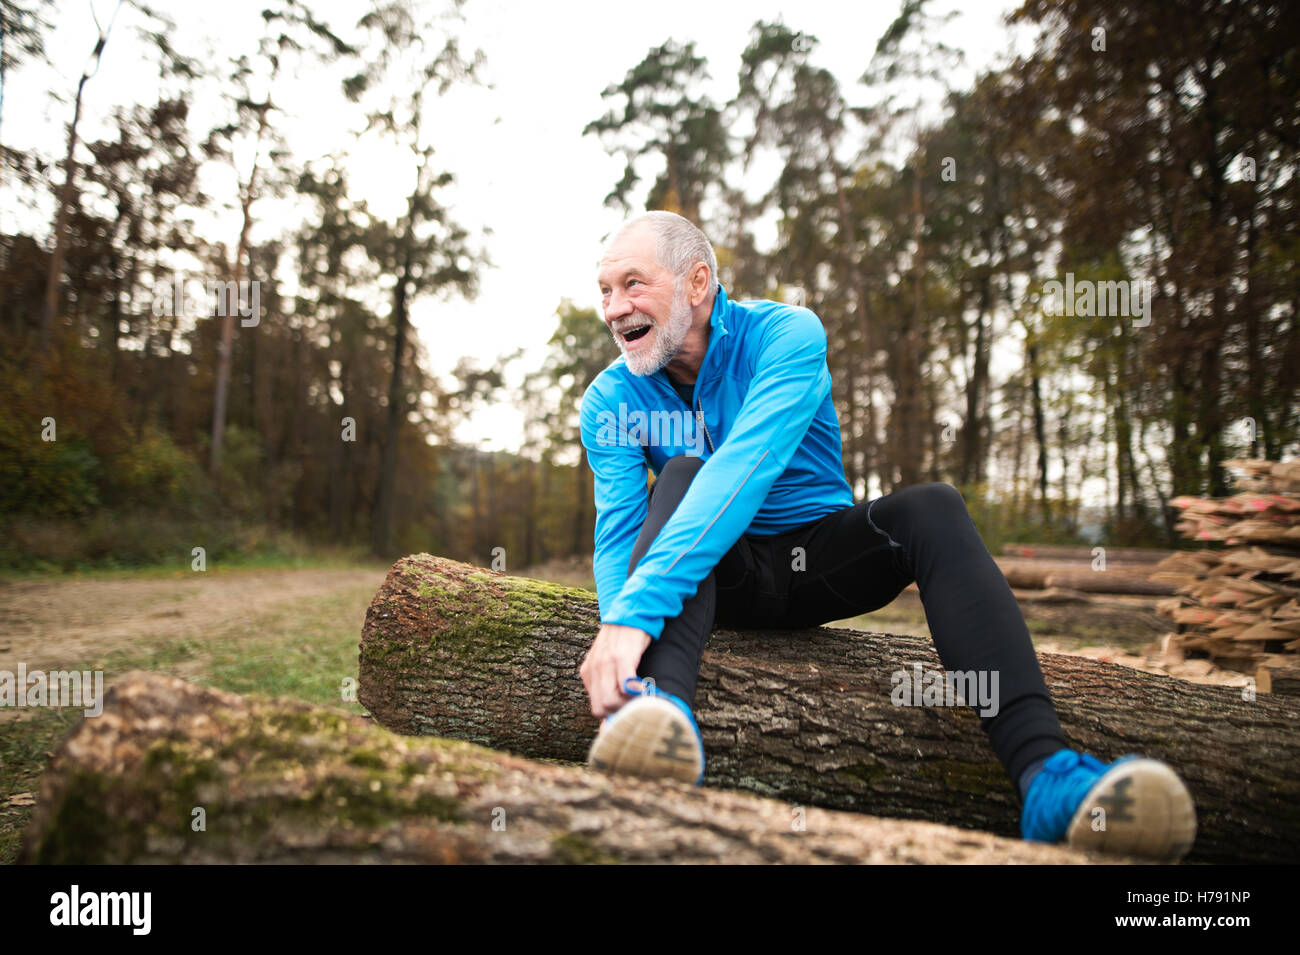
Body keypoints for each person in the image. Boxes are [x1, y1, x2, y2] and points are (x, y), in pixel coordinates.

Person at [577, 210, 1196, 861]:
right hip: (720, 584)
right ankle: (651, 719)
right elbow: (619, 531)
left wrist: (638, 611)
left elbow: (744, 470)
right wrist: (619, 625)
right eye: (604, 291)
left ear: (697, 281)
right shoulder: (610, 399)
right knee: (679, 474)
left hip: (817, 566)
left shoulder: (787, 336)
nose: (615, 308)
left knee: (932, 505)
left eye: (632, 284)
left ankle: (1048, 777)